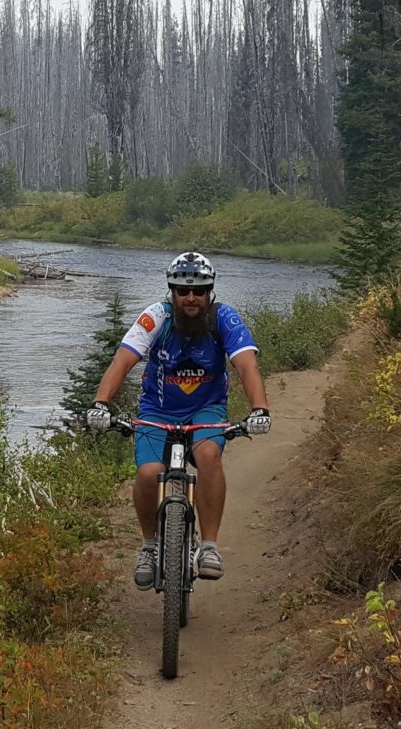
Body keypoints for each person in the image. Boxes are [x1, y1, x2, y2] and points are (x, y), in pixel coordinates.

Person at [86, 251, 271, 588]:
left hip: (207, 409)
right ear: (171, 292)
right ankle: (149, 546)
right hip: (157, 410)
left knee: (208, 455)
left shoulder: (224, 318)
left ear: (209, 293)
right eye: (182, 291)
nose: (190, 298)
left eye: (198, 291)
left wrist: (260, 409)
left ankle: (210, 546)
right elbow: (123, 360)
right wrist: (101, 403)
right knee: (147, 473)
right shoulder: (156, 317)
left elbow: (246, 364)